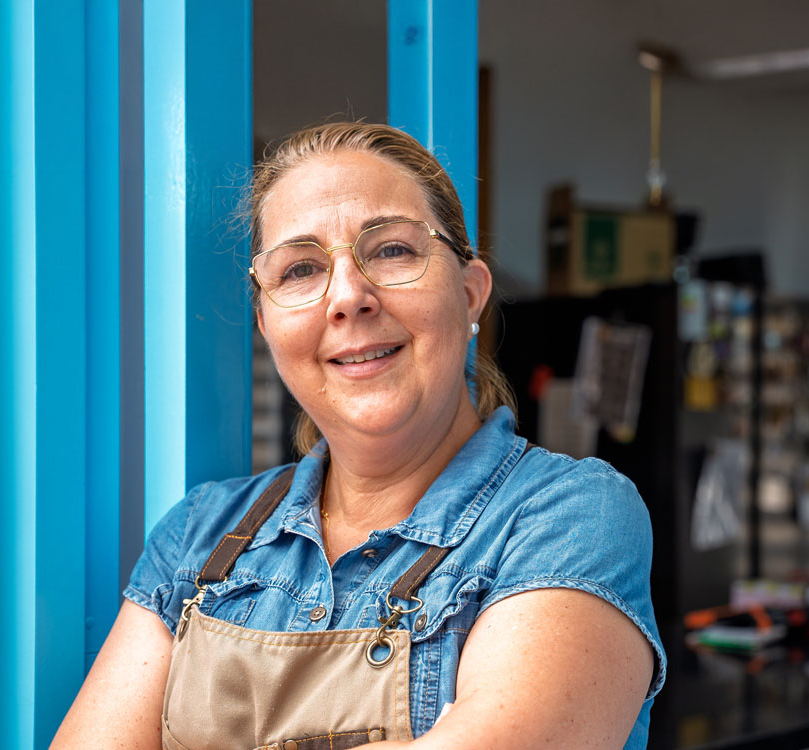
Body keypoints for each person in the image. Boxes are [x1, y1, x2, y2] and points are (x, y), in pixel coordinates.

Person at [53, 121, 664, 750]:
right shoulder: (200, 531)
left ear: (471, 292)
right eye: (299, 270)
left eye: (392, 250)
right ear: (267, 326)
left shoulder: (570, 516)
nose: (347, 297)